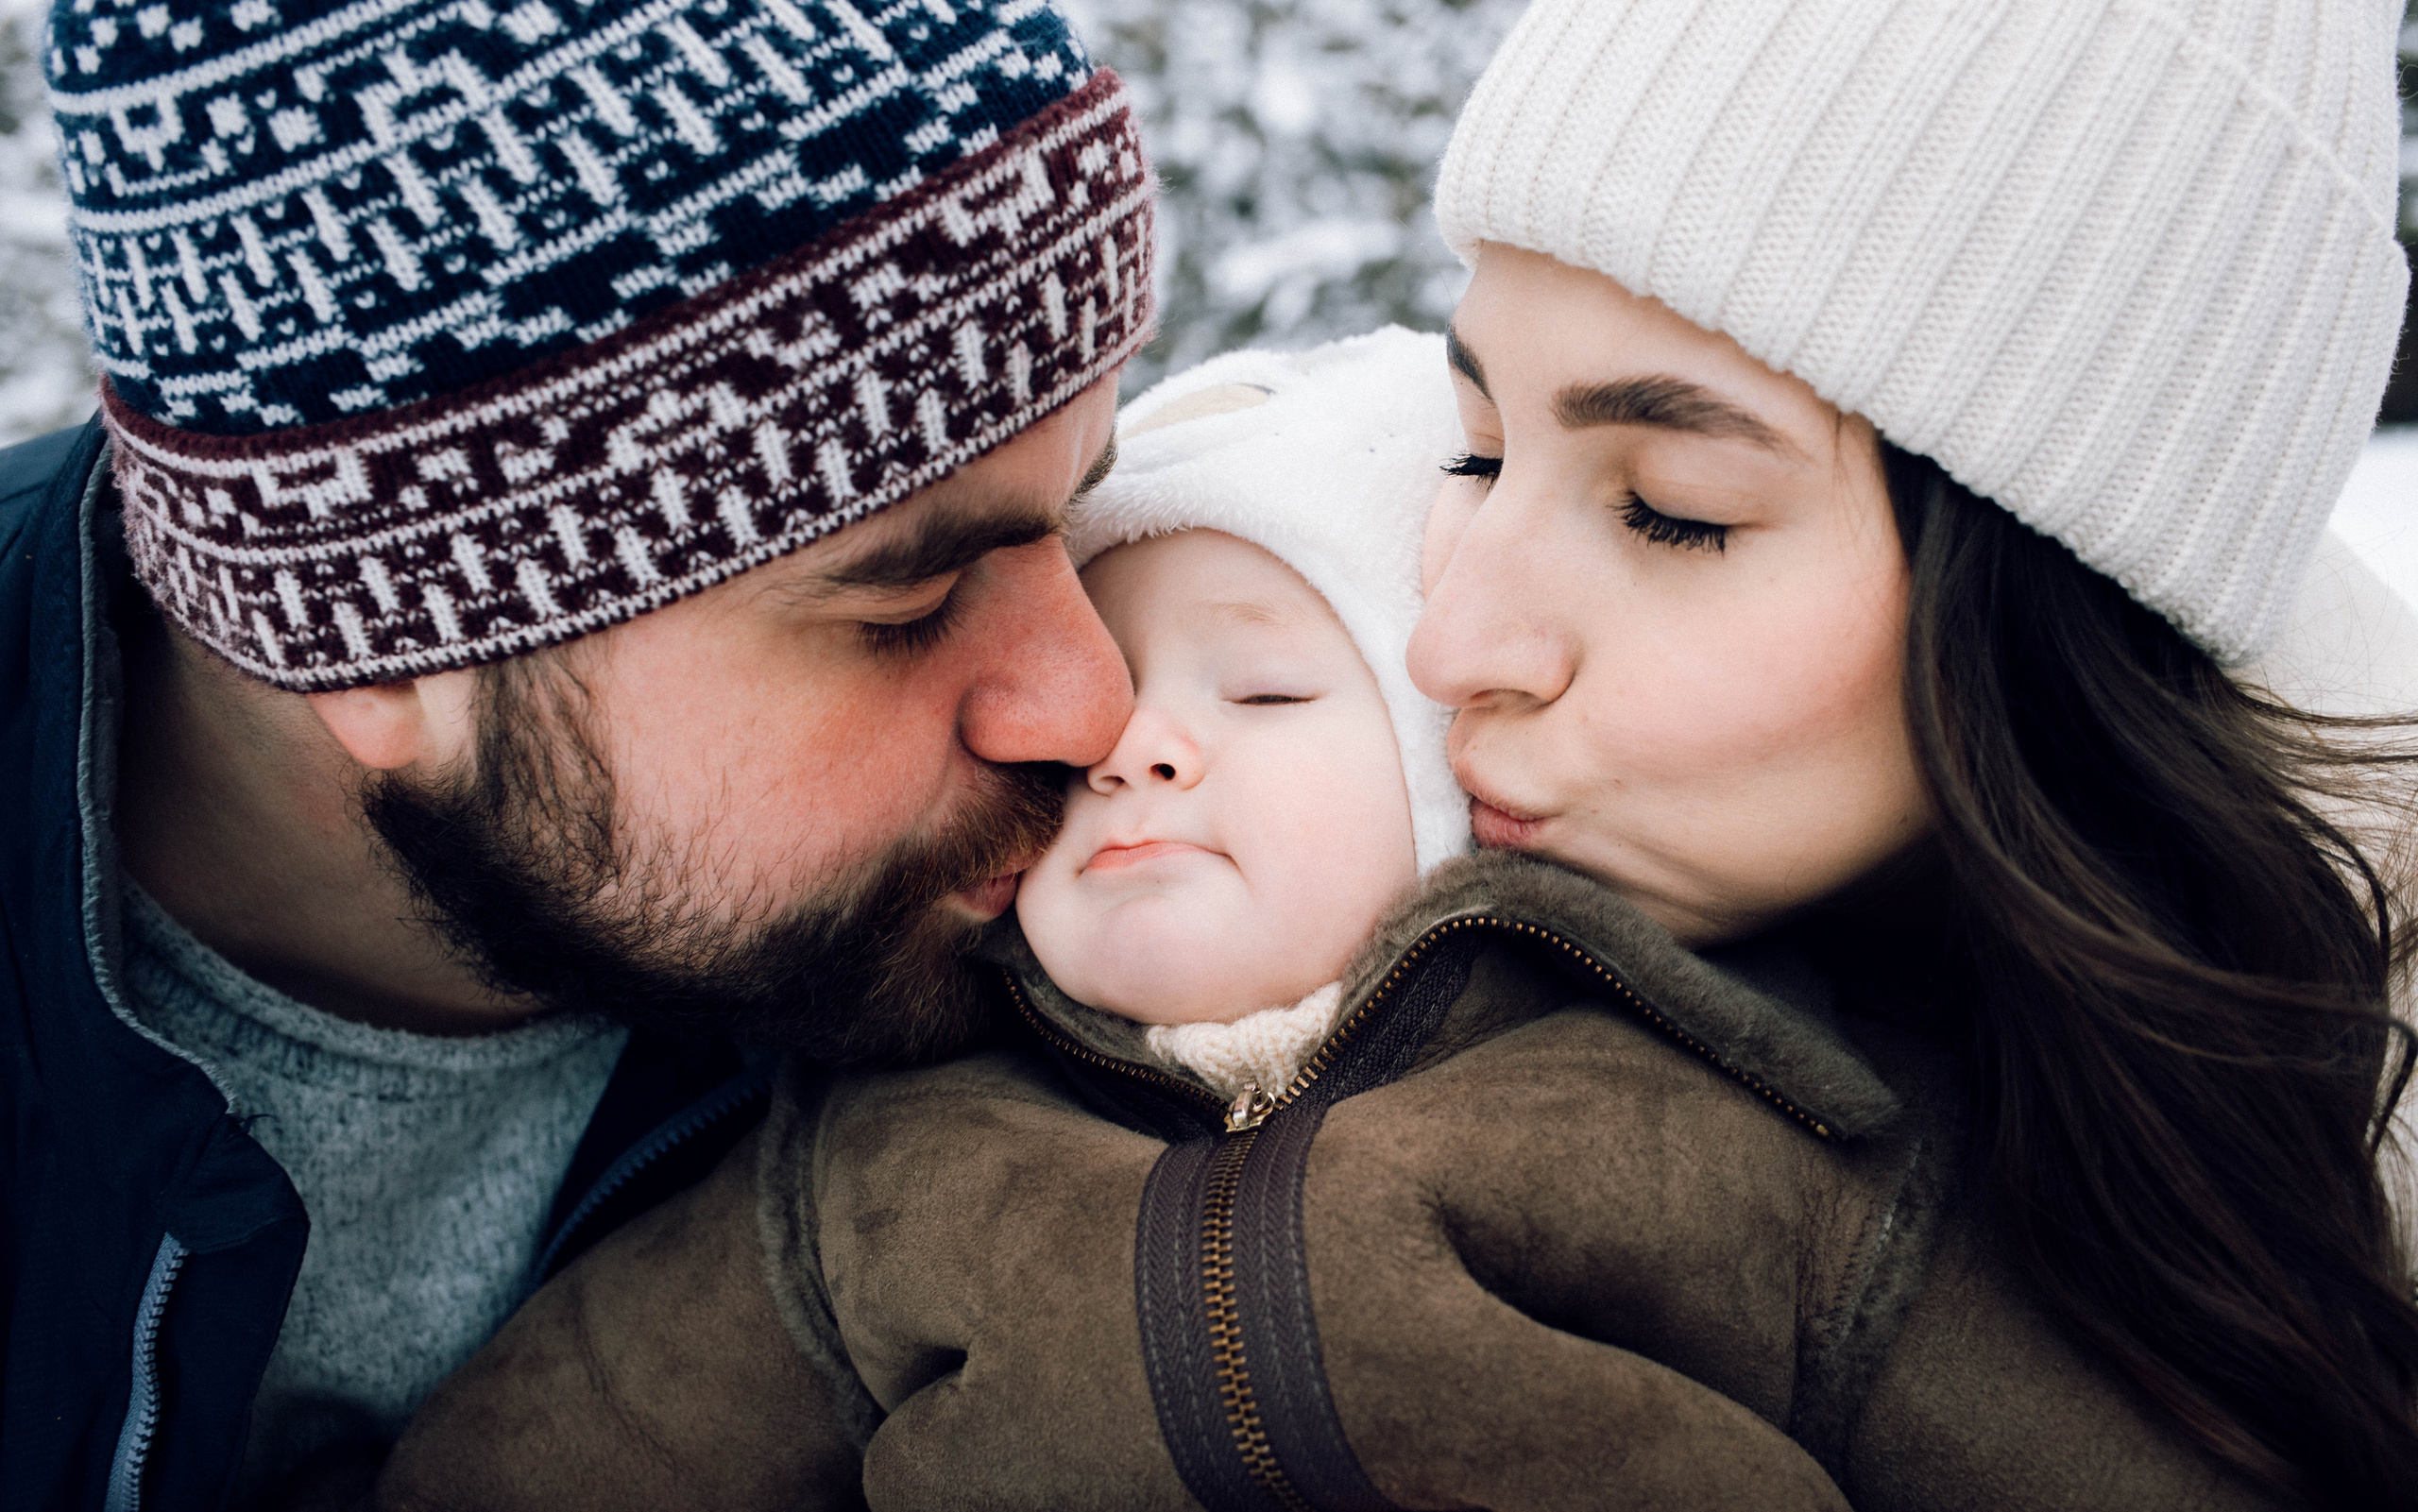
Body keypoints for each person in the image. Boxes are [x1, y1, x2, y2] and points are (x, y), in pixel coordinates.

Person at [366, 0, 2418, 1508]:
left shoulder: (1924, 1162)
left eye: (1672, 511)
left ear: (2057, 617)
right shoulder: (894, 1113)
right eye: (1473, 449)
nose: (1443, 639)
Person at [0, 0, 1157, 1502]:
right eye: (907, 600)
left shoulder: (1190, 824)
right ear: (389, 629)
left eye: (1078, 509)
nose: (1098, 702)